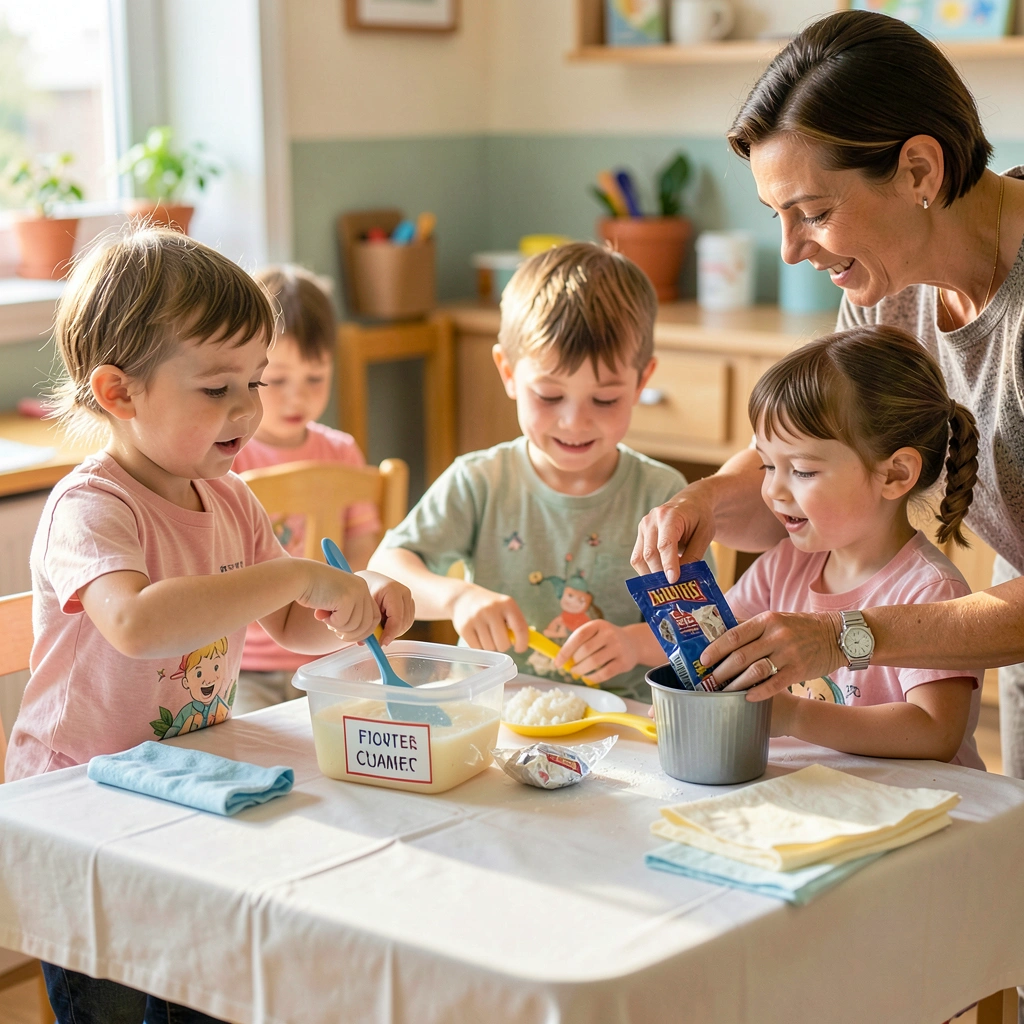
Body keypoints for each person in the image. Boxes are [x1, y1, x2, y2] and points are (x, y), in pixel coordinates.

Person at [4, 228, 413, 1024]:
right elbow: (133, 624)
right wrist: (296, 571)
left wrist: (356, 603)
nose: (250, 410)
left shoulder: (227, 498)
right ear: (119, 392)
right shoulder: (93, 507)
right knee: (113, 1002)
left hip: (185, 785)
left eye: (254, 381)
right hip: (83, 809)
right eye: (218, 388)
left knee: (204, 988)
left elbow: (290, 622)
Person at [631, 10, 1024, 770]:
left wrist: (845, 635)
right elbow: (810, 455)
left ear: (918, 170)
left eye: (812, 214)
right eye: (778, 216)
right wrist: (706, 501)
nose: (790, 248)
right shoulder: (887, 284)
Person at [369, 242, 695, 701]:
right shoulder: (480, 480)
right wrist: (457, 599)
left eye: (604, 399)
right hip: (491, 714)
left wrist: (635, 643)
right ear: (507, 372)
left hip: (620, 721)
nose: (575, 422)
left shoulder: (662, 494)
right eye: (548, 395)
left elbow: (701, 626)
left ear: (642, 381)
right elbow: (386, 567)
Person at [723, 325, 983, 767]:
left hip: (920, 810)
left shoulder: (930, 592)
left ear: (896, 474)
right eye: (767, 465)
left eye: (802, 470)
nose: (774, 492)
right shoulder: (784, 564)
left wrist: (795, 716)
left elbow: (935, 731)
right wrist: (633, 647)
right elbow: (724, 642)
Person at [230, 265, 381, 715]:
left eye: (316, 378)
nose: (298, 397)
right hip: (245, 665)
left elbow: (363, 543)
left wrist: (352, 598)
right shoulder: (228, 458)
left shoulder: (341, 450)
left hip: (330, 657)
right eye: (278, 380)